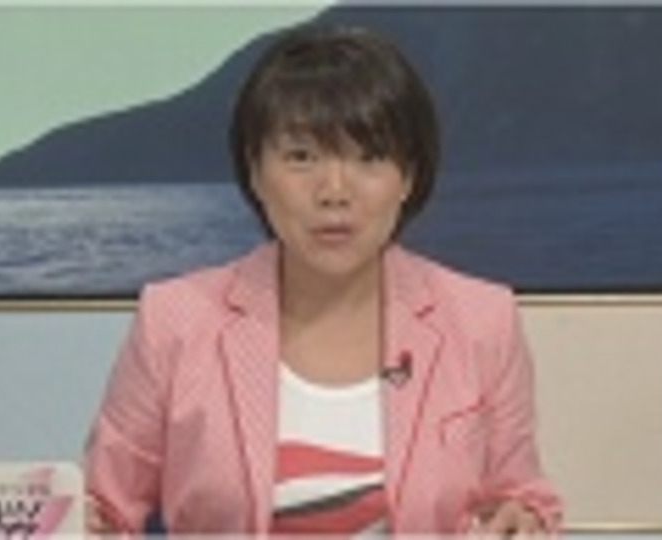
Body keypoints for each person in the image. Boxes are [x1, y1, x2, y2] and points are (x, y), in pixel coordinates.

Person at [84, 24, 562, 537]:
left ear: (409, 176)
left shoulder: (481, 321)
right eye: (301, 157)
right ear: (255, 172)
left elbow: (519, 493)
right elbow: (104, 508)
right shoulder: (175, 320)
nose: (334, 191)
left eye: (368, 158)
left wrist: (523, 517)